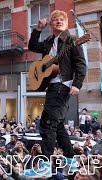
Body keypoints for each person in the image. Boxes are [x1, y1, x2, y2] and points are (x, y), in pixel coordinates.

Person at [28, 10, 86, 159]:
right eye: (55, 20)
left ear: (66, 23)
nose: (59, 21)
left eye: (62, 19)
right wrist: (38, 29)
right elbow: (32, 46)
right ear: (51, 24)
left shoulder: (72, 40)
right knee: (57, 125)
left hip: (63, 85)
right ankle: (70, 158)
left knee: (48, 124)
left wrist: (77, 84)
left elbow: (80, 63)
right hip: (52, 86)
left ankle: (46, 161)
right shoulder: (48, 41)